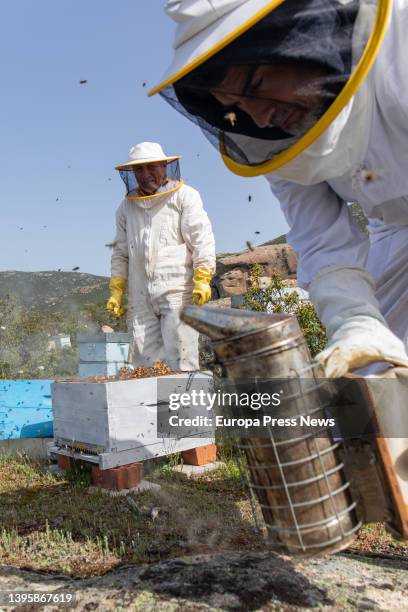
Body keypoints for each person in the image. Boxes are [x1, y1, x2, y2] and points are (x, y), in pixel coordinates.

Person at [148, 0, 408, 377]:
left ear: (306, 37)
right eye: (237, 105)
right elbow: (321, 238)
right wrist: (353, 319)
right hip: (396, 232)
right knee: (379, 372)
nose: (259, 116)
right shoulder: (275, 140)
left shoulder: (399, 51)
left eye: (256, 85)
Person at [106, 141, 216, 371]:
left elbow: (201, 238)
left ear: (165, 166)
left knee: (182, 360)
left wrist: (203, 276)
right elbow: (121, 252)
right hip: (140, 297)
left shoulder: (185, 196)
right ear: (132, 174)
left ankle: (187, 407)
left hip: (177, 292)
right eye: (139, 169)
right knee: (145, 366)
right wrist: (117, 289)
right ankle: (154, 408)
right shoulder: (125, 208)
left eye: (152, 166)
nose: (145, 174)